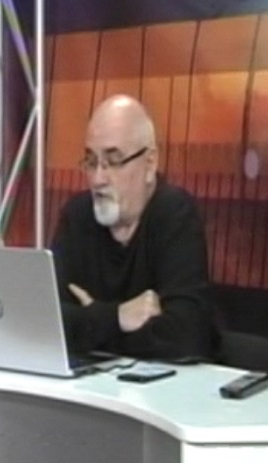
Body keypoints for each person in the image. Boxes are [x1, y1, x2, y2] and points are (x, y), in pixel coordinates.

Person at [51, 94, 218, 361]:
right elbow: (47, 324)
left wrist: (91, 321)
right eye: (91, 162)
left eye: (113, 161)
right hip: (93, 381)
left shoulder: (175, 214)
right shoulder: (77, 215)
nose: (97, 179)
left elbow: (186, 337)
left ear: (149, 164)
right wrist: (118, 317)